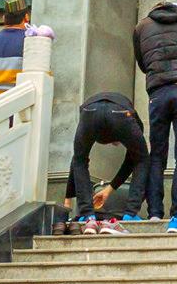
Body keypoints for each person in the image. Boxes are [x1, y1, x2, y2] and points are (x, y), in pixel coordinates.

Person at [132, 0, 177, 224]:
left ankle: (155, 211)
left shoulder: (141, 27)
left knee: (157, 155)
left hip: (158, 94)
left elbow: (143, 64)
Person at [64, 88, 150, 229]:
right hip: (120, 112)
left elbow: (77, 160)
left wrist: (108, 189)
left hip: (89, 111)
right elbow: (135, 161)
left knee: (80, 160)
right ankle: (130, 214)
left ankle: (88, 215)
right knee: (142, 159)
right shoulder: (134, 121)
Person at [0, 0, 50, 97]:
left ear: (4, 19)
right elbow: (43, 78)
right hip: (19, 108)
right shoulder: (31, 42)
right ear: (27, 17)